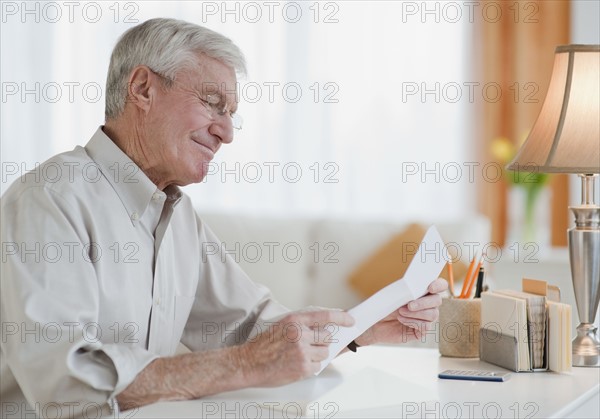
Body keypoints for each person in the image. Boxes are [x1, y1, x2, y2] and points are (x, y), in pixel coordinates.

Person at [0, 18, 447, 417]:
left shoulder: (177, 214)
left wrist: (363, 327)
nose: (227, 133)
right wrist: (248, 363)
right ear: (142, 89)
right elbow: (66, 386)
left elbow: (251, 328)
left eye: (232, 115)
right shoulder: (48, 199)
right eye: (213, 103)